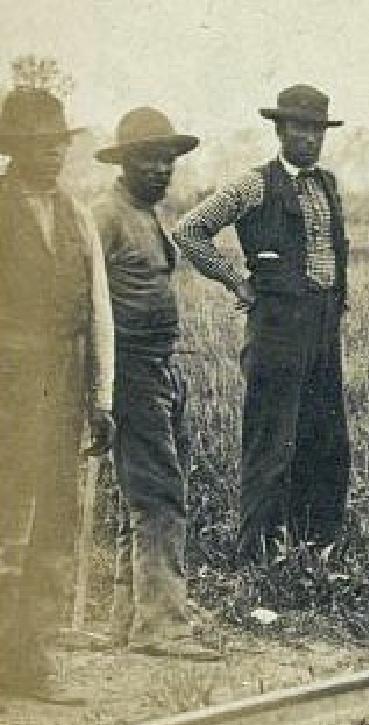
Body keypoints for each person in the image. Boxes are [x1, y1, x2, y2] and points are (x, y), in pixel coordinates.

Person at [174, 84, 351, 561]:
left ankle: (316, 547)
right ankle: (256, 551)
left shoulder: (327, 184)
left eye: (316, 129)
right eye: (299, 127)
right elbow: (189, 231)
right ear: (279, 129)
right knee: (271, 438)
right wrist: (237, 281)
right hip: (276, 328)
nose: (309, 138)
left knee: (325, 435)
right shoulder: (254, 183)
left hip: (322, 328)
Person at [91, 107, 221, 660]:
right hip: (131, 372)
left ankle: (127, 621)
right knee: (159, 495)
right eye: (147, 157)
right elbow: (84, 303)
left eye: (166, 158)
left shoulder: (150, 215)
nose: (160, 167)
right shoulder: (104, 217)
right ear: (125, 161)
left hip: (163, 367)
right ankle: (163, 626)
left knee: (140, 498)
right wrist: (98, 386)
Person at [0, 88, 115, 703]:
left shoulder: (77, 214)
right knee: (4, 528)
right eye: (38, 145)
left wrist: (103, 397)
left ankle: (32, 664)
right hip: (6, 394)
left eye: (58, 145)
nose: (51, 156)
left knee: (52, 528)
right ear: (13, 148)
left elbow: (98, 310)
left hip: (62, 395)